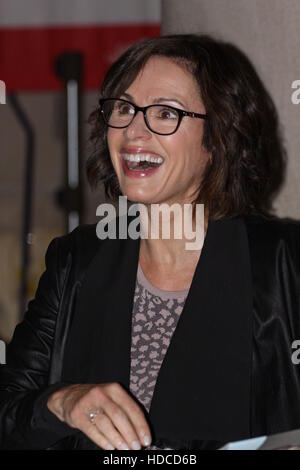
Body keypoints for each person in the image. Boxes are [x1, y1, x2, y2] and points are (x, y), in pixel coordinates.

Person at [1, 33, 300, 451]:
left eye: (165, 113)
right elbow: (9, 411)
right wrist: (63, 402)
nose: (133, 131)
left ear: (218, 139)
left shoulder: (285, 262)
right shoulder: (78, 261)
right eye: (123, 108)